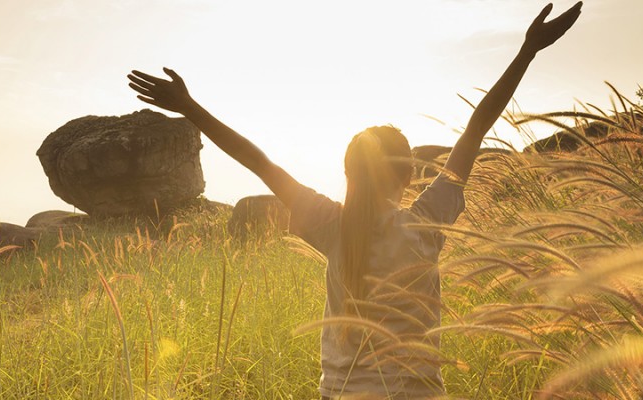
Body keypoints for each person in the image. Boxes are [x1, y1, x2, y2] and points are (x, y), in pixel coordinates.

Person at [128, 2, 582, 398]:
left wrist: (191, 107)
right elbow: (475, 129)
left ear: (347, 173)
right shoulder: (427, 221)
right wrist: (527, 51)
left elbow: (259, 162)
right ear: (409, 174)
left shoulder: (331, 225)